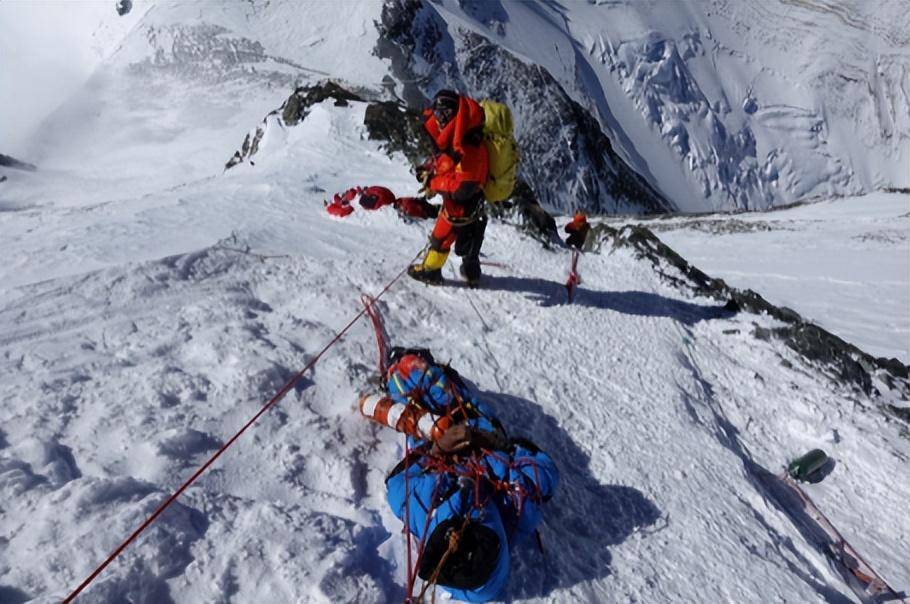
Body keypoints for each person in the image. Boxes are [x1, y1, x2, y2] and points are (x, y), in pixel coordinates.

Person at [361, 349, 558, 602]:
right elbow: (544, 470)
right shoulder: (519, 511)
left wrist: (435, 450)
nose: (469, 511)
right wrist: (500, 447)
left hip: (433, 441)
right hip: (478, 427)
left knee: (407, 382)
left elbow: (399, 480)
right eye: (480, 521)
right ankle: (423, 370)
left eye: (455, 524)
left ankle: (397, 372)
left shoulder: (418, 507)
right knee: (442, 389)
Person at [408, 90, 490, 286]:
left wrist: (433, 182)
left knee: (440, 238)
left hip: (460, 204)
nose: (439, 119)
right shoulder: (464, 134)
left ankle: (430, 272)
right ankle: (472, 273)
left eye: (443, 113)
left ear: (454, 113)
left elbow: (462, 187)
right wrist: (431, 169)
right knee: (470, 237)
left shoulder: (467, 146)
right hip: (474, 202)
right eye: (437, 113)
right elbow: (449, 162)